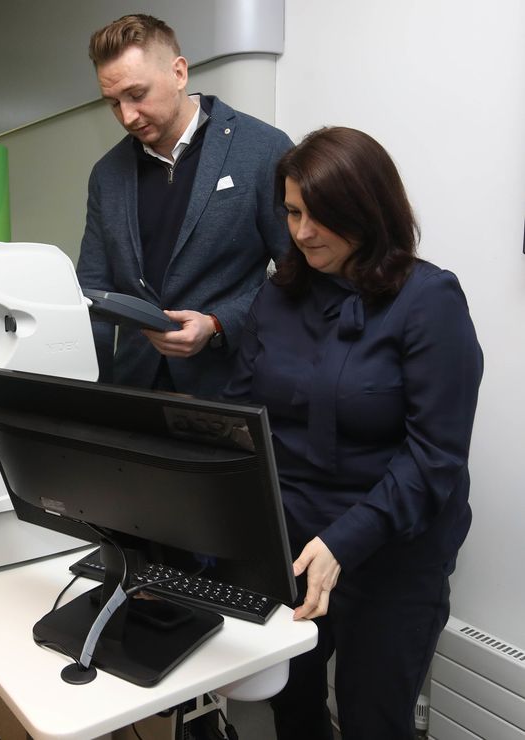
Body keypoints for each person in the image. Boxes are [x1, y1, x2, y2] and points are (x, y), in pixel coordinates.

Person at [222, 127, 484, 740]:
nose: (304, 231)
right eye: (292, 212)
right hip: (291, 538)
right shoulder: (276, 296)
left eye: (323, 216)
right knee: (293, 702)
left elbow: (434, 456)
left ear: (369, 211)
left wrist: (345, 540)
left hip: (391, 546)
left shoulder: (429, 301)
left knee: (374, 719)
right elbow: (241, 419)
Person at [76, 13, 293, 396]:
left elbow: (299, 274)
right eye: (113, 103)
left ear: (179, 73)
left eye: (137, 95)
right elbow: (92, 290)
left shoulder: (263, 150)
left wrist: (219, 323)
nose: (127, 116)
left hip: (230, 387)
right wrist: (91, 394)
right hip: (134, 391)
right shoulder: (106, 175)